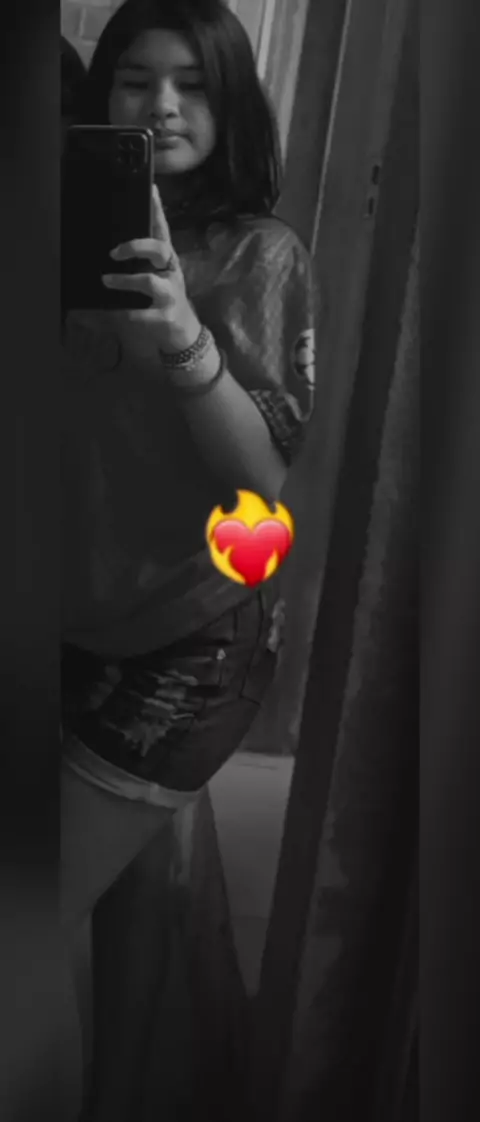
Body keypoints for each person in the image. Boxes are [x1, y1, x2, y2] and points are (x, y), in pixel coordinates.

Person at [60, 0, 316, 1115]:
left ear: (231, 103)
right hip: (70, 618)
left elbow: (263, 484)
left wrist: (182, 340)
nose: (162, 107)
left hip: (184, 646)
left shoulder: (260, 253)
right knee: (135, 910)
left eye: (193, 84)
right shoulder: (57, 228)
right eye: (136, 80)